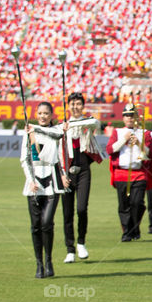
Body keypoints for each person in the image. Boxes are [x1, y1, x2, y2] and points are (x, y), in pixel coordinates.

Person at [22, 102, 69, 278]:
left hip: (51, 184)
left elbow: (57, 137)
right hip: (34, 185)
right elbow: (24, 159)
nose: (43, 116)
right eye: (40, 113)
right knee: (35, 226)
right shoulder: (28, 133)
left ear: (51, 115)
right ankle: (39, 264)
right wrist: (30, 180)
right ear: (36, 114)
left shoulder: (56, 130)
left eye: (46, 113)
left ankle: (49, 260)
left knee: (46, 223)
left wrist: (35, 129)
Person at [60, 92, 102, 263]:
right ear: (68, 106)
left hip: (84, 168)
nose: (75, 107)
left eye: (78, 104)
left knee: (81, 209)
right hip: (67, 171)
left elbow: (96, 123)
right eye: (72, 104)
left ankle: (81, 242)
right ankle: (70, 249)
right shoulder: (62, 126)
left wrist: (73, 123)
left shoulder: (88, 122)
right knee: (67, 212)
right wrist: (64, 127)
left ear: (83, 106)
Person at [106, 104, 152, 242]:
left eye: (132, 115)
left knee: (137, 203)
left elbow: (149, 152)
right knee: (124, 205)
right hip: (121, 173)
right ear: (123, 118)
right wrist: (124, 139)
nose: (129, 118)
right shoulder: (117, 132)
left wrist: (139, 143)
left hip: (138, 173)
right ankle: (127, 232)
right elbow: (110, 149)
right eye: (127, 115)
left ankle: (134, 227)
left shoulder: (144, 133)